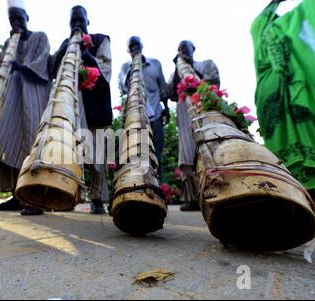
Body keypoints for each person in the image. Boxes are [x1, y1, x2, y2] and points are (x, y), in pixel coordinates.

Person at [251, 0, 315, 205]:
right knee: (305, 139)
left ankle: (298, 199)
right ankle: (311, 198)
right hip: (290, 90)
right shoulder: (277, 30)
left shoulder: (260, 31)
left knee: (287, 146)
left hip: (272, 93)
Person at [49, 5, 113, 215]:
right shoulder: (66, 43)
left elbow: (105, 70)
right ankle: (69, 195)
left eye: (80, 20)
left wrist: (87, 55)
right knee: (69, 148)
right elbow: (53, 71)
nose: (77, 24)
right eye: (73, 21)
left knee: (97, 152)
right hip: (70, 102)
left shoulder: (101, 39)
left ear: (88, 22)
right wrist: (66, 48)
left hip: (95, 102)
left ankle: (97, 199)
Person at [0, 0, 51, 216]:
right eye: (12, 19)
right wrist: (9, 49)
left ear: (27, 18)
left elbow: (41, 65)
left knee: (32, 141)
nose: (16, 22)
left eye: (19, 18)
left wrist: (19, 66)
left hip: (35, 94)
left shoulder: (40, 36)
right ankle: (16, 195)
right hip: (12, 97)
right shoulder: (10, 42)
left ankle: (35, 196)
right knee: (8, 139)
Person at [168, 40, 220, 212]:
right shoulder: (176, 70)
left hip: (204, 109)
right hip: (184, 112)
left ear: (193, 50)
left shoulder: (206, 64)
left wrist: (191, 71)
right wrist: (178, 67)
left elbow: (215, 84)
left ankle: (215, 192)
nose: (182, 51)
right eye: (180, 49)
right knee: (187, 151)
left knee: (210, 146)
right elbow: (171, 93)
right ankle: (191, 198)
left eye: (185, 48)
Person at [119, 36, 169, 180]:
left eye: (137, 45)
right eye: (132, 46)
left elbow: (163, 88)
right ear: (128, 50)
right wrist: (133, 67)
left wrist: (166, 108)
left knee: (157, 151)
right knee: (137, 150)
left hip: (156, 115)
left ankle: (157, 184)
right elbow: (123, 87)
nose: (135, 49)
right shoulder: (124, 67)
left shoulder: (155, 64)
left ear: (142, 46)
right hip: (135, 117)